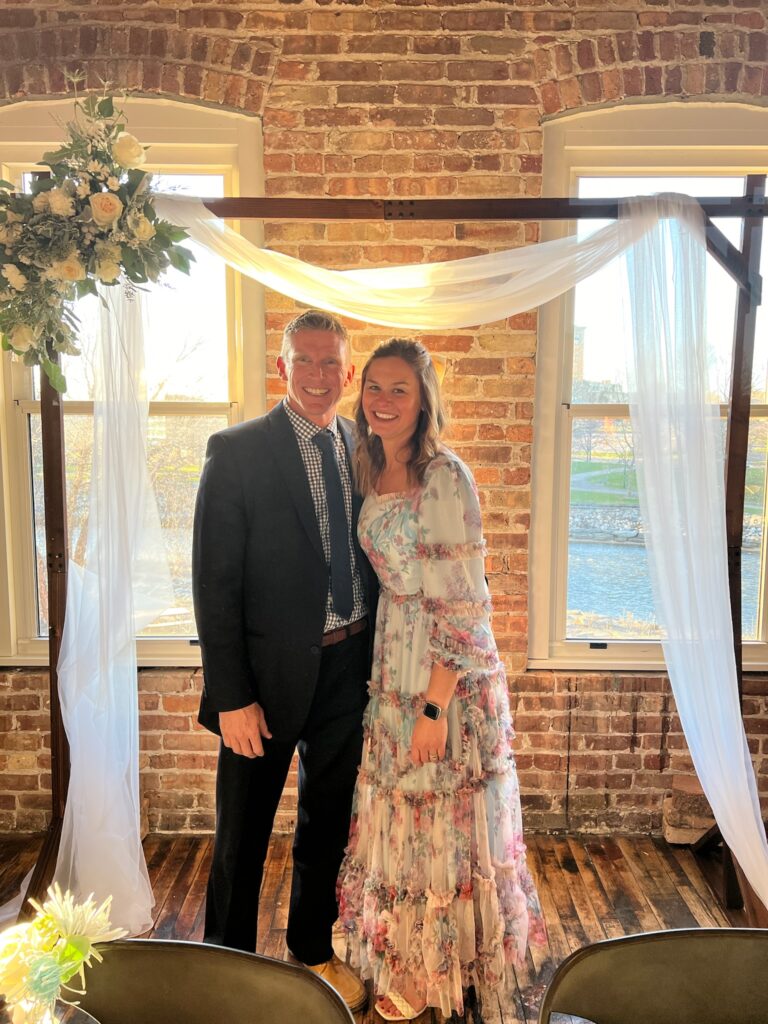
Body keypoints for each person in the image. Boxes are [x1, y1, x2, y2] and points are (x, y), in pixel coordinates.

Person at [337, 339, 544, 1021]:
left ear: (423, 398)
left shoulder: (444, 476)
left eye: (399, 389)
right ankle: (406, 953)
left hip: (439, 671)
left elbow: (462, 604)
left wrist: (433, 708)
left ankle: (437, 970)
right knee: (399, 809)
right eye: (374, 386)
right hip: (391, 655)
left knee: (439, 813)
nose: (384, 401)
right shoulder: (370, 465)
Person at [192, 309, 376, 1013]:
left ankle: (312, 948)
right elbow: (214, 585)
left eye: (331, 362)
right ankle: (228, 969)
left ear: (348, 370)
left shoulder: (362, 445)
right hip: (262, 685)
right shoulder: (237, 451)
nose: (319, 375)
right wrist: (231, 697)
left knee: (326, 824)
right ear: (282, 367)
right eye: (305, 360)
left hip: (348, 668)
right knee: (242, 833)